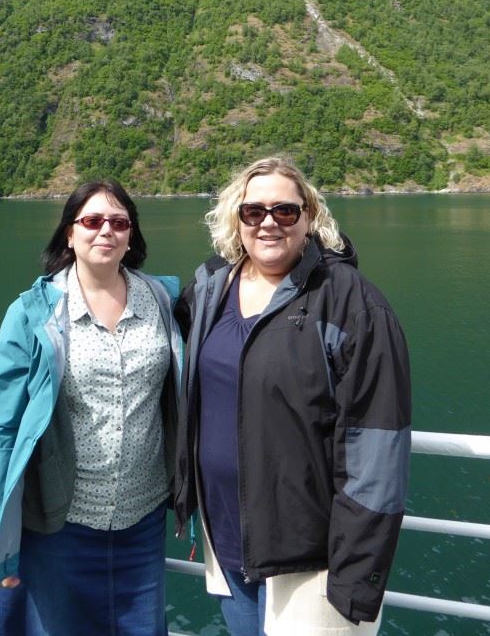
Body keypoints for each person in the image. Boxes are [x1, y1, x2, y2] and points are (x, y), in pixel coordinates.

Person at [174, 155, 411, 636]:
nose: (268, 223)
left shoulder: (352, 303)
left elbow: (378, 451)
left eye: (285, 211)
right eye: (253, 211)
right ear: (235, 219)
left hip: (314, 561)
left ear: (310, 218)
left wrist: (354, 576)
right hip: (229, 542)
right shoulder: (209, 290)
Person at [0, 180, 182, 636]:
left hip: (141, 521)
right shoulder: (32, 313)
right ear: (69, 234)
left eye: (118, 222)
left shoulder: (164, 302)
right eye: (91, 221)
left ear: (131, 236)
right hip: (58, 523)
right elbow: (0, 427)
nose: (105, 231)